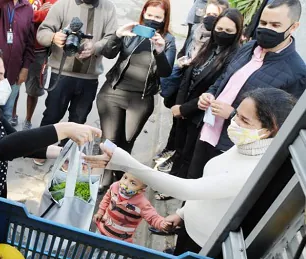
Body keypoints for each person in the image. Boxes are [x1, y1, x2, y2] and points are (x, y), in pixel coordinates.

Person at [86, 88, 297, 254]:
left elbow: (189, 189)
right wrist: (182, 214)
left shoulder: (256, 169)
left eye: (244, 120)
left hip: (204, 246)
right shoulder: (245, 145)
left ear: (269, 130)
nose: (234, 121)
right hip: (188, 231)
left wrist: (126, 162)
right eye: (237, 114)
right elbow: (211, 190)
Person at [0, 44, 101, 223]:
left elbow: (18, 144)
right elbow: (0, 147)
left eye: (3, 75)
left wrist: (65, 154)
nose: (4, 83)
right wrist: (63, 129)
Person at [192, 0, 306, 179]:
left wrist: (233, 115)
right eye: (263, 23)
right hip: (208, 131)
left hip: (233, 149)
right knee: (192, 183)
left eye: (275, 25)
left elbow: (280, 127)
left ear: (293, 27)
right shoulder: (248, 48)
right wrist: (209, 94)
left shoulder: (297, 72)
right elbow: (224, 79)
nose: (266, 28)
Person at [159, 8, 243, 192]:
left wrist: (185, 109)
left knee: (188, 154)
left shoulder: (234, 58)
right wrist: (178, 107)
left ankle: (174, 188)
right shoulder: (209, 46)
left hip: (200, 114)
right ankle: (172, 183)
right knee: (179, 149)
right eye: (220, 28)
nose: (222, 34)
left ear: (238, 33)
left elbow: (216, 90)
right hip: (184, 108)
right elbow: (188, 77)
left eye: (229, 31)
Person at [96, 0, 176, 187]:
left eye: (158, 17)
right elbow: (108, 53)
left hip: (140, 100)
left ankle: (118, 180)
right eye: (149, 15)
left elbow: (166, 72)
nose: (152, 20)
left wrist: (159, 51)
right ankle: (104, 181)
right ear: (143, 13)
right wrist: (117, 35)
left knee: (126, 143)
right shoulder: (131, 32)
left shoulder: (168, 41)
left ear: (164, 19)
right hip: (113, 93)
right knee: (110, 140)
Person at [33, 0, 118, 166]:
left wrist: (96, 47)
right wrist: (54, 37)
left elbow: (112, 39)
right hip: (62, 73)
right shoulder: (62, 5)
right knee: (52, 114)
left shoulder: (108, 8)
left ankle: (68, 155)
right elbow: (42, 32)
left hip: (89, 77)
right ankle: (42, 149)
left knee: (79, 119)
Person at [155, 0, 229, 170]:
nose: (209, 18)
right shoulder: (197, 30)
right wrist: (181, 63)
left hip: (199, 96)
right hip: (184, 82)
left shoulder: (218, 43)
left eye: (214, 15)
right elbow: (185, 49)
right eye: (207, 14)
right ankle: (169, 150)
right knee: (176, 123)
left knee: (186, 135)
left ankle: (176, 158)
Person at [0, 0, 35, 126]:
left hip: (13, 74)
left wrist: (25, 67)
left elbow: (29, 42)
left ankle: (1, 142)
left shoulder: (27, 8)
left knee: (6, 117)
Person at [94, 172, 171, 243]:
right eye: (125, 177)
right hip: (101, 231)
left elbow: (153, 217)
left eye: (133, 183)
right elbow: (107, 198)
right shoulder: (115, 187)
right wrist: (100, 212)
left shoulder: (142, 204)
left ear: (141, 190)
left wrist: (162, 224)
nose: (125, 183)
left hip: (120, 242)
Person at [22, 0, 57, 130]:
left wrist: (27, 13)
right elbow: (14, 13)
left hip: (39, 50)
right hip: (18, 46)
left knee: (33, 89)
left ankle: (28, 119)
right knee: (13, 87)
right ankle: (12, 115)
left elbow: (49, 16)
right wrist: (36, 12)